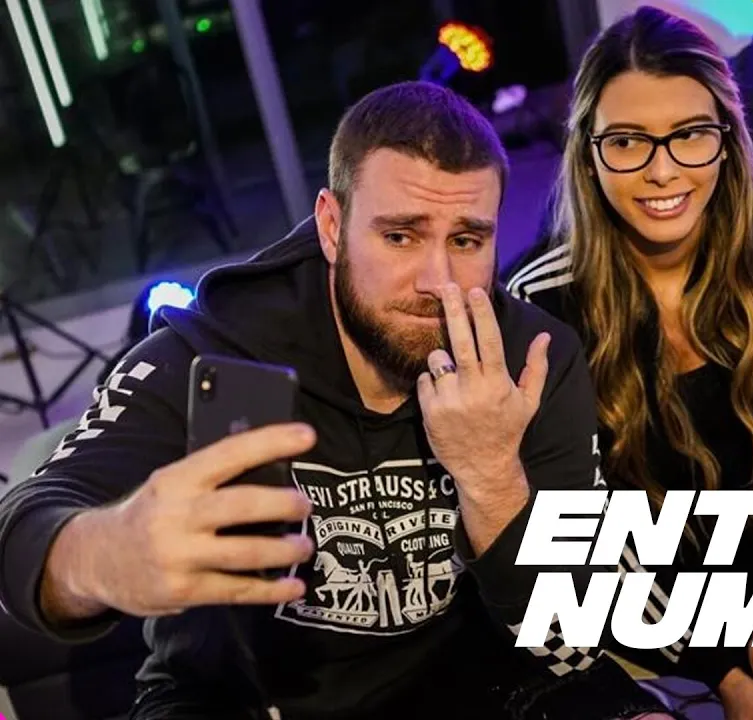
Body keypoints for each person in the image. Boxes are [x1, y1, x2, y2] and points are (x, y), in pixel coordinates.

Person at [0, 81, 669, 720]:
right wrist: (108, 554)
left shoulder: (529, 361)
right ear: (330, 225)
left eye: (467, 240)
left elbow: (569, 639)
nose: (438, 281)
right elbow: (22, 530)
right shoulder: (210, 357)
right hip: (248, 698)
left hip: (483, 678)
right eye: (400, 235)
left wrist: (492, 474)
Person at [505, 7, 753, 720]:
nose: (663, 171)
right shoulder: (539, 300)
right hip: (643, 621)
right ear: (588, 153)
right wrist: (727, 670)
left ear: (727, 139)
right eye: (628, 141)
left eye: (690, 134)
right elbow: (591, 529)